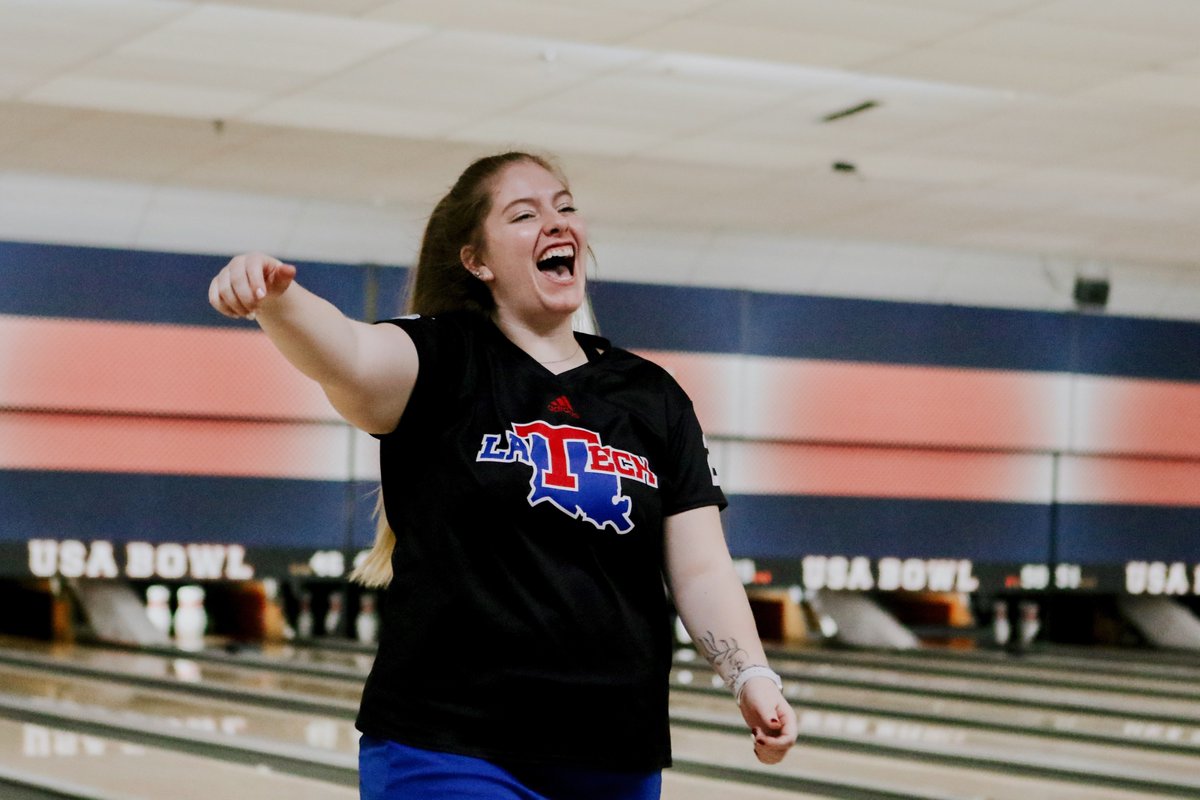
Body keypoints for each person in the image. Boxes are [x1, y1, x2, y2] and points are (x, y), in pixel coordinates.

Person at [208, 151, 797, 799]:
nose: (555, 222)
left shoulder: (651, 397)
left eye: (564, 206)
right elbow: (347, 353)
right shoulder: (440, 359)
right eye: (524, 214)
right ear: (477, 261)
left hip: (615, 755)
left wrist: (751, 677)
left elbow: (701, 569)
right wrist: (276, 298)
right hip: (451, 749)